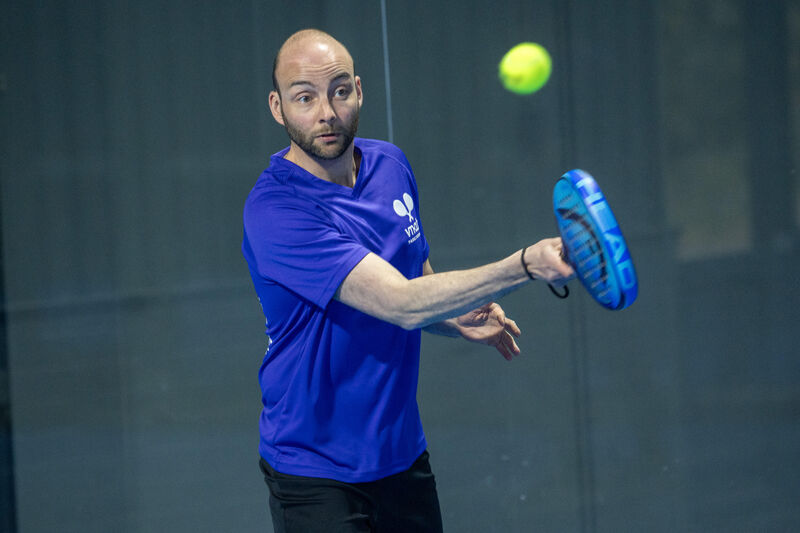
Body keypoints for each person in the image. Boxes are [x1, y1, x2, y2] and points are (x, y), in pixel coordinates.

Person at [241, 29, 574, 533]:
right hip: (314, 474)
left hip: (401, 457)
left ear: (359, 90)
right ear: (278, 107)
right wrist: (523, 265)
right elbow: (400, 302)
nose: (326, 113)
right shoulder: (276, 211)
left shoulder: (391, 165)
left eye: (339, 91)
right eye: (304, 97)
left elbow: (416, 278)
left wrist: (455, 318)